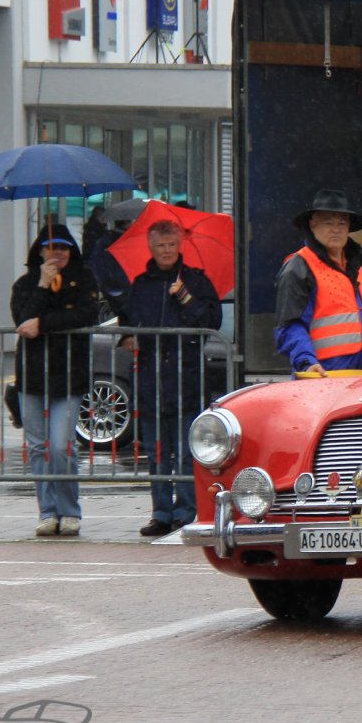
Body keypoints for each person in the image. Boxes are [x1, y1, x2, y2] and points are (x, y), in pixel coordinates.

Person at [115, 219, 222, 538]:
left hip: (187, 379)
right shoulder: (140, 284)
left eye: (171, 245)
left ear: (180, 246)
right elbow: (127, 320)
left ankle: (186, 511)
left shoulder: (196, 281)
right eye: (160, 245)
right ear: (151, 247)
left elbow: (211, 320)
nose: (166, 251)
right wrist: (126, 338)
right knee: (157, 452)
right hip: (151, 380)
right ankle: (160, 513)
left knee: (186, 452)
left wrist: (184, 296)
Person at [10, 221, 100, 537]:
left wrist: (45, 324)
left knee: (61, 446)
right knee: (38, 446)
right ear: (40, 251)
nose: (58, 253)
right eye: (51, 247)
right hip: (33, 375)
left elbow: (86, 315)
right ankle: (47, 511)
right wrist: (42, 286)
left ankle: (69, 510)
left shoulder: (84, 279)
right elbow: (22, 319)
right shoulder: (25, 283)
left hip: (69, 375)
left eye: (63, 247)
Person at [275, 188, 362, 378]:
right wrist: (306, 363)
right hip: (324, 377)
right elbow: (289, 326)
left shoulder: (359, 267)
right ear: (312, 225)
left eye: (342, 223)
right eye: (328, 222)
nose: (336, 229)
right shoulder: (299, 267)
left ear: (349, 227)